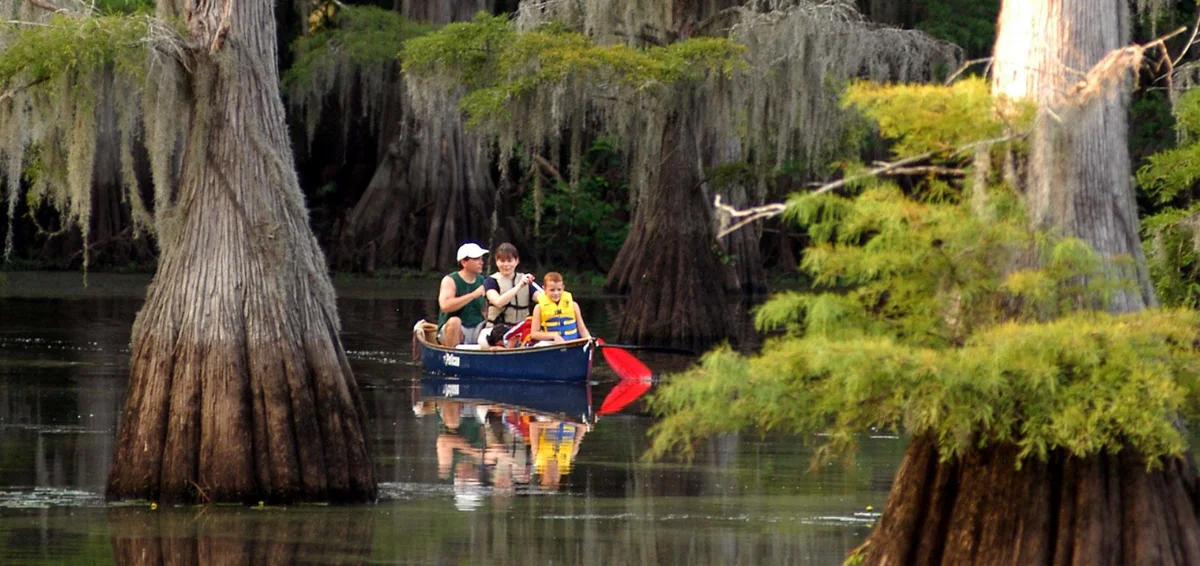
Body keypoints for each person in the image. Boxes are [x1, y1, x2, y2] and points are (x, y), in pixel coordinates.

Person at [478, 243, 537, 346]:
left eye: (510, 261)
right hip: (496, 331)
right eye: (502, 261)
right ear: (496, 262)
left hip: (521, 329)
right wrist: (519, 286)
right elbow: (498, 302)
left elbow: (542, 299)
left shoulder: (526, 280)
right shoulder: (490, 281)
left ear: (517, 261)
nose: (506, 265)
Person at [437, 242, 489, 347]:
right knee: (454, 322)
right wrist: (473, 295)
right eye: (476, 259)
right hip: (454, 330)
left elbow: (485, 310)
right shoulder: (450, 280)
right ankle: (452, 356)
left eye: (481, 259)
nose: (481, 262)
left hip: (477, 328)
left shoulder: (483, 281)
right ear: (464, 262)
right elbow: (445, 306)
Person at [529, 272, 591, 343]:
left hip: (572, 342)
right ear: (544, 289)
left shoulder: (574, 305)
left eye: (559, 289)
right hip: (551, 343)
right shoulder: (538, 308)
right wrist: (554, 336)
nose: (556, 293)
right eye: (552, 290)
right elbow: (534, 334)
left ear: (563, 288)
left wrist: (589, 339)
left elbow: (582, 328)